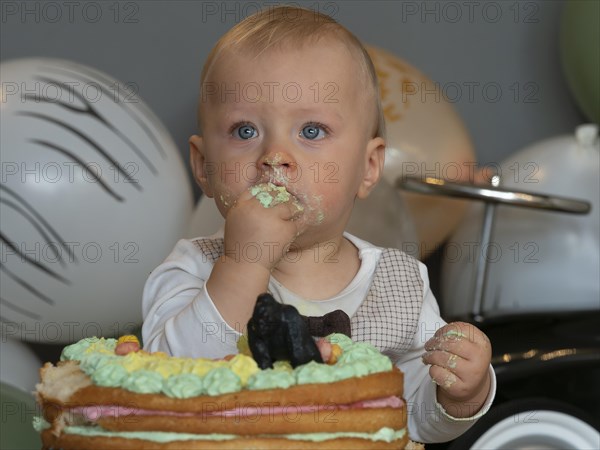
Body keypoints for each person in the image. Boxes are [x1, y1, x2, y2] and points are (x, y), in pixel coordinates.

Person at [142, 5, 495, 443]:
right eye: (245, 131)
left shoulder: (400, 283)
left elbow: (415, 417)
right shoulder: (192, 269)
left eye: (311, 131)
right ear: (204, 166)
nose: (275, 155)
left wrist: (459, 397)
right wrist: (242, 263)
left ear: (367, 168)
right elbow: (168, 386)